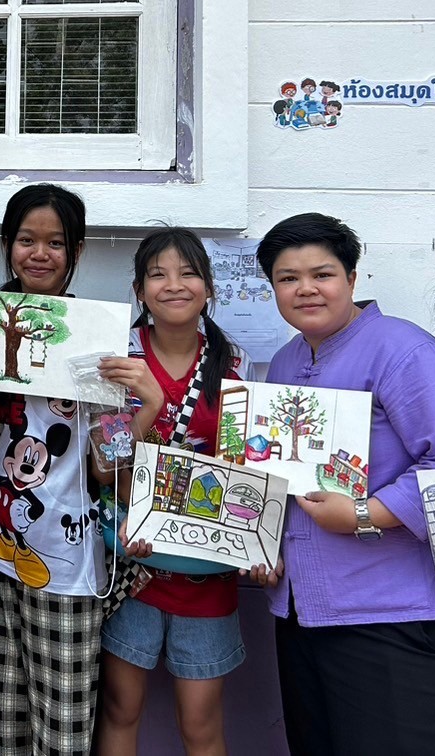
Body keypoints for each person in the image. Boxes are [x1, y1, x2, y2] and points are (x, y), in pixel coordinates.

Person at [256, 212, 435, 756]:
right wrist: (260, 545)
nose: (306, 289)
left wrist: (365, 513)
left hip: (392, 615)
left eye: (322, 274)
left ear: (352, 278)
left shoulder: (404, 351)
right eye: (288, 278)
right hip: (303, 609)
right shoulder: (287, 361)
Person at [97, 228, 254, 756]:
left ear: (209, 287)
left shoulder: (235, 365)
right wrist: (147, 408)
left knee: (201, 723)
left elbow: (243, 471)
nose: (174, 285)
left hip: (206, 568)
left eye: (188, 273)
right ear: (138, 290)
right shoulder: (119, 359)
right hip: (132, 565)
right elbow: (103, 467)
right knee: (119, 709)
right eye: (158, 274)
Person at [0, 184, 115, 756]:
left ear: (76, 250)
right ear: (8, 245)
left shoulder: (96, 335)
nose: (39, 254)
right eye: (26, 240)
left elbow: (109, 461)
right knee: (5, 718)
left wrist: (126, 410)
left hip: (68, 561)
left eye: (55, 243)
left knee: (63, 728)